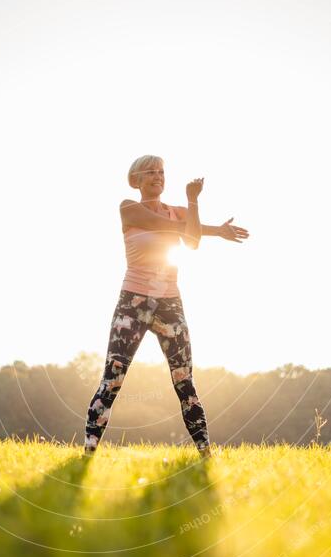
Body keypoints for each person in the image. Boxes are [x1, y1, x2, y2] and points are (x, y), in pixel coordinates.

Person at [83, 154, 248, 458]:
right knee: (113, 377)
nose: (158, 176)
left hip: (170, 304)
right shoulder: (128, 208)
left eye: (161, 172)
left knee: (184, 378)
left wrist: (194, 203)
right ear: (137, 180)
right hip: (132, 302)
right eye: (150, 172)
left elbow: (192, 241)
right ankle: (89, 451)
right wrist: (205, 228)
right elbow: (170, 228)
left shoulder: (181, 211)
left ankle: (204, 452)